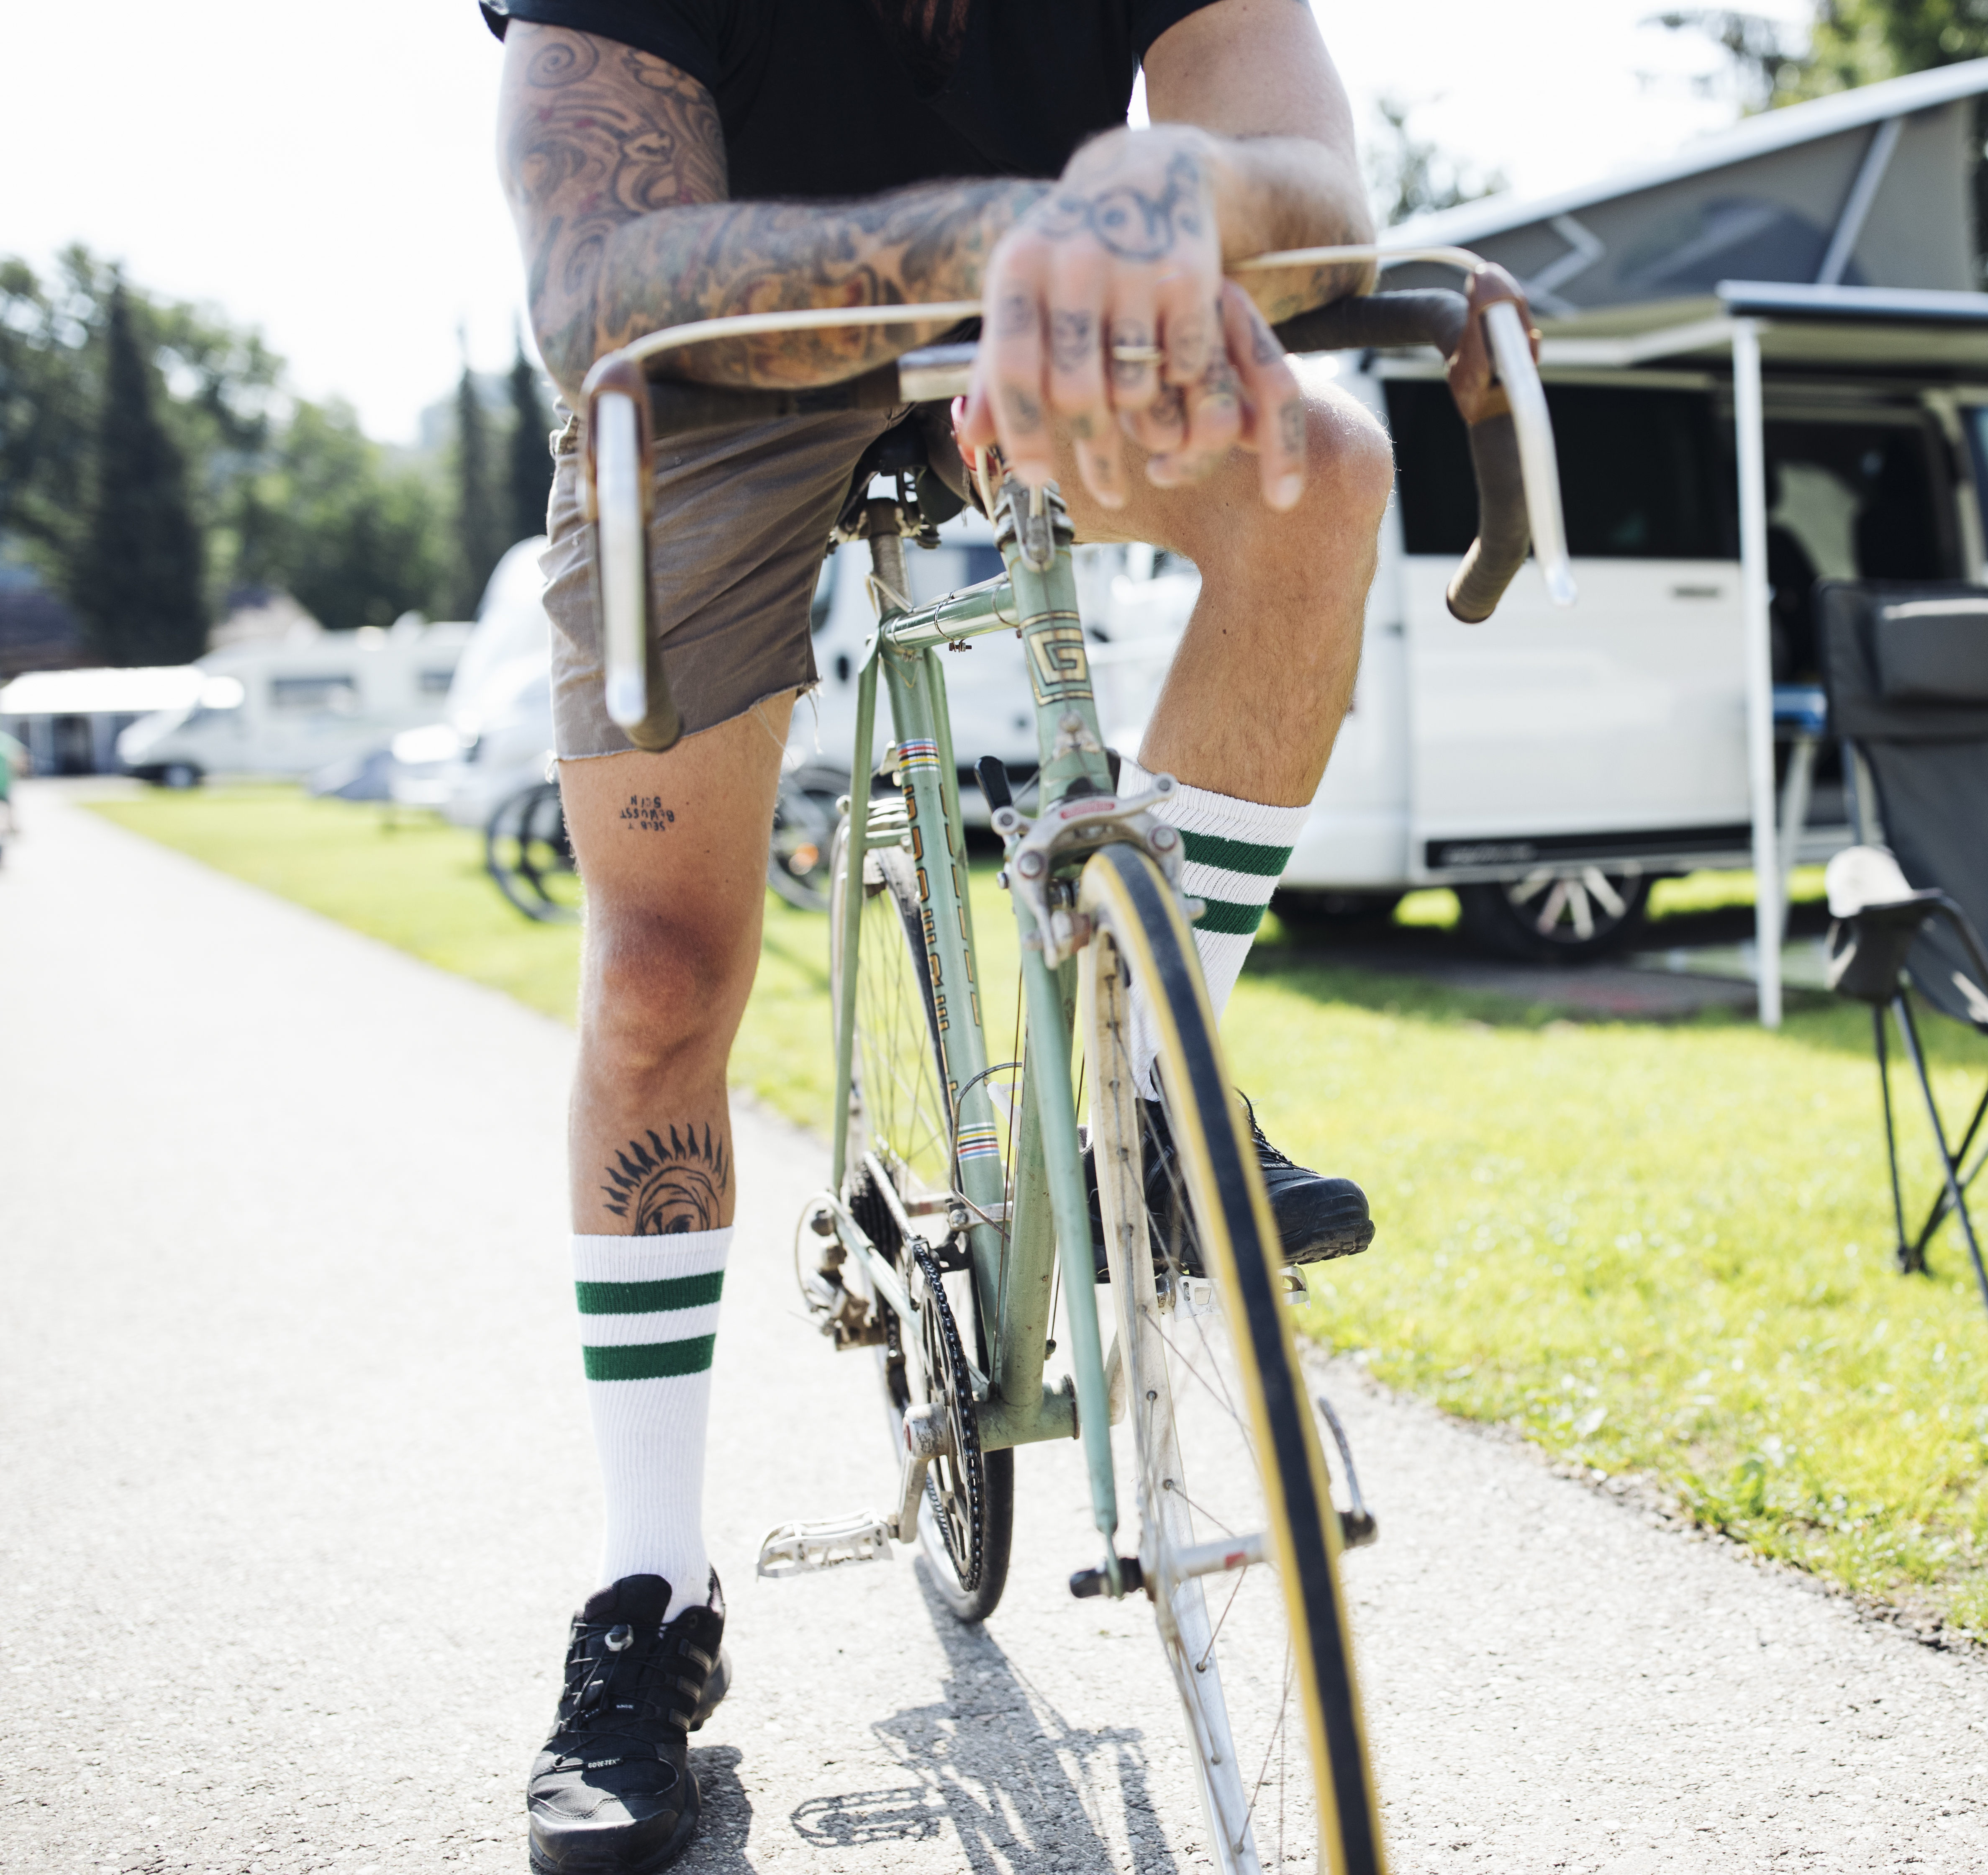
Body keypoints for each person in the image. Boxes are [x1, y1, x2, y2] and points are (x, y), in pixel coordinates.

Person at [478, 3, 1390, 1866]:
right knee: (661, 980)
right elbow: (594, 278)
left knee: (1328, 470)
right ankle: (648, 1593)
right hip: (713, 368)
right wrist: (1025, 232)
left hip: (1048, 334)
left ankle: (1139, 1087)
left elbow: (1313, 189)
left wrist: (1172, 187)